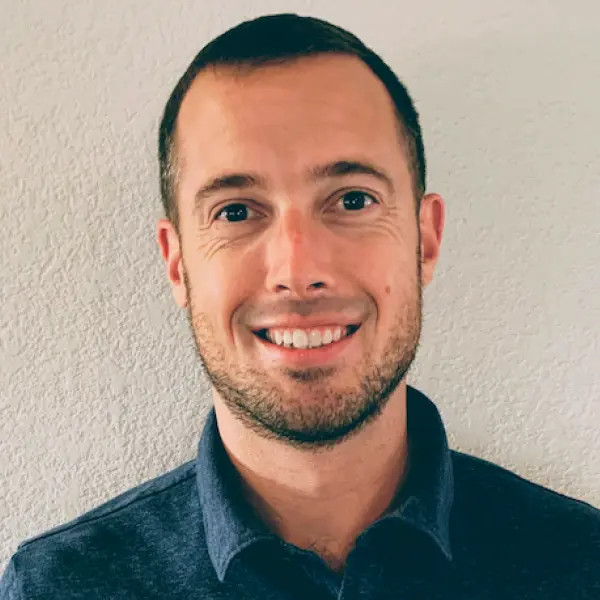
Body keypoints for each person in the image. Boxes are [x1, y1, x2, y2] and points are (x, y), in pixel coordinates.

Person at [1, 12, 599, 599]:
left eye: (352, 200)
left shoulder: (582, 566)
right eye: (236, 211)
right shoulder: (57, 587)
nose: (297, 270)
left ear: (425, 240)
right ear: (178, 263)